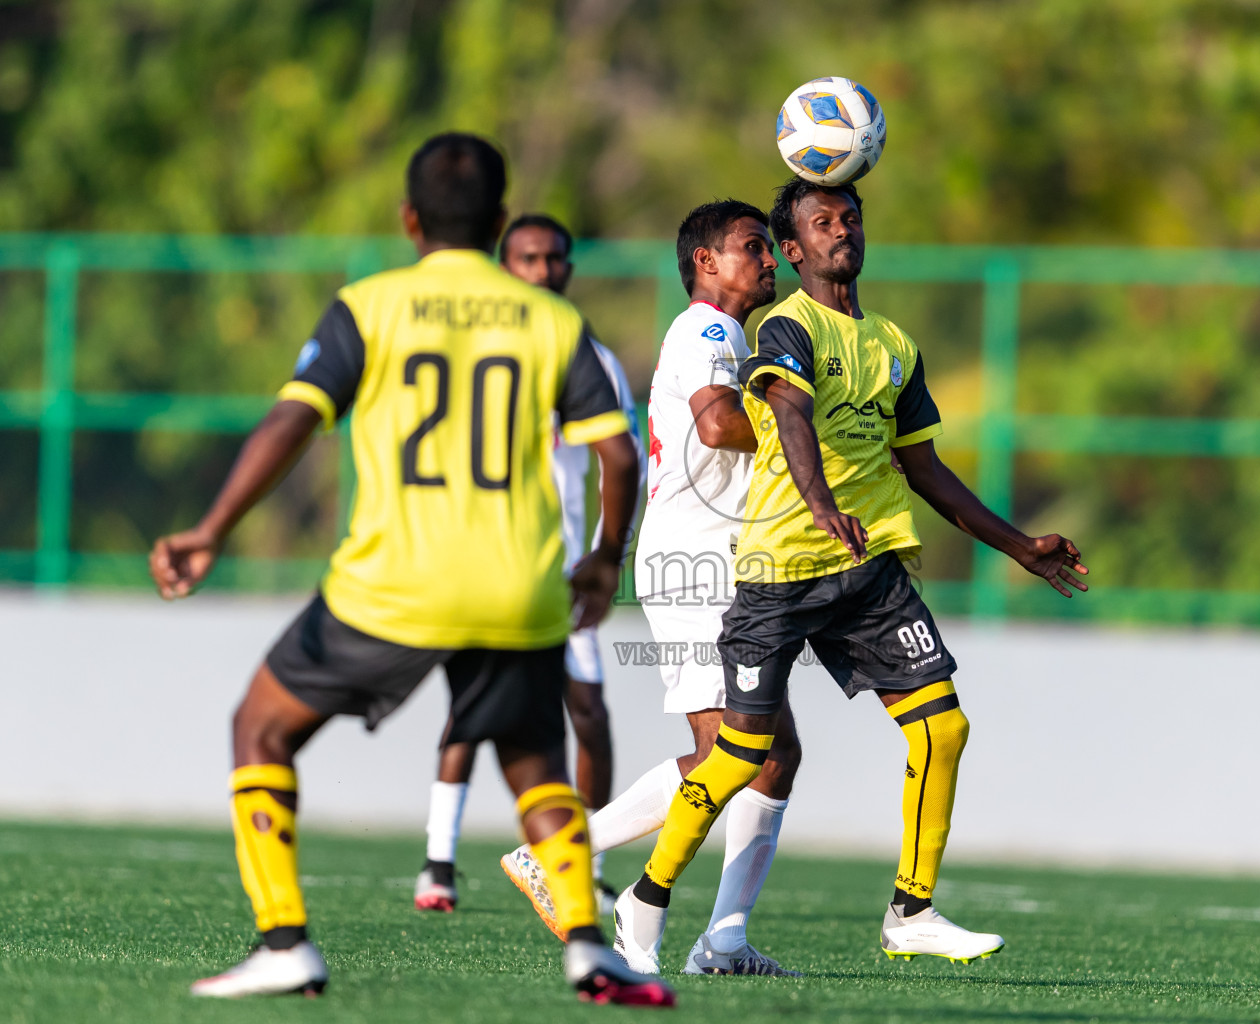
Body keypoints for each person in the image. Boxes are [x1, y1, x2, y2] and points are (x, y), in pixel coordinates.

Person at [148, 132, 672, 1008]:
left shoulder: (370, 305)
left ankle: (285, 943)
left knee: (261, 728)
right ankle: (589, 948)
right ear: (500, 222)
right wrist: (601, 562)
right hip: (517, 587)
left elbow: (291, 422)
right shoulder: (552, 321)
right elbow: (618, 458)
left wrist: (211, 528)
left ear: (409, 218)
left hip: (392, 583)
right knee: (538, 764)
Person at [610, 178, 1089, 970]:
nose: (842, 231)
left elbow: (925, 467)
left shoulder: (895, 346)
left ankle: (911, 911)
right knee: (738, 753)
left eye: (851, 218)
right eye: (820, 222)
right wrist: (819, 498)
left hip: (867, 567)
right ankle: (645, 897)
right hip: (781, 563)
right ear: (794, 249)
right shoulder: (783, 329)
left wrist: (1016, 545)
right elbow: (786, 414)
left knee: (944, 724)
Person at [502, 199, 800, 976]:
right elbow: (717, 425)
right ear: (706, 262)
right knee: (728, 752)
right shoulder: (706, 327)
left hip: (730, 557)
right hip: (698, 559)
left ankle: (726, 940)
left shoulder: (731, 336)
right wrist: (805, 430)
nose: (769, 260)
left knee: (772, 754)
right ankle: (557, 856)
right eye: (752, 247)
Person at [415, 213, 643, 915]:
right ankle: (438, 862)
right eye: (527, 259)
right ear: (503, 264)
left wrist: (609, 552)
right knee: (470, 707)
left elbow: (621, 459)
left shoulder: (589, 358)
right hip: (477, 558)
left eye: (554, 260)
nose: (542, 272)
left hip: (559, 569)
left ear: (569, 269)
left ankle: (586, 864)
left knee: (589, 715)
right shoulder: (470, 346)